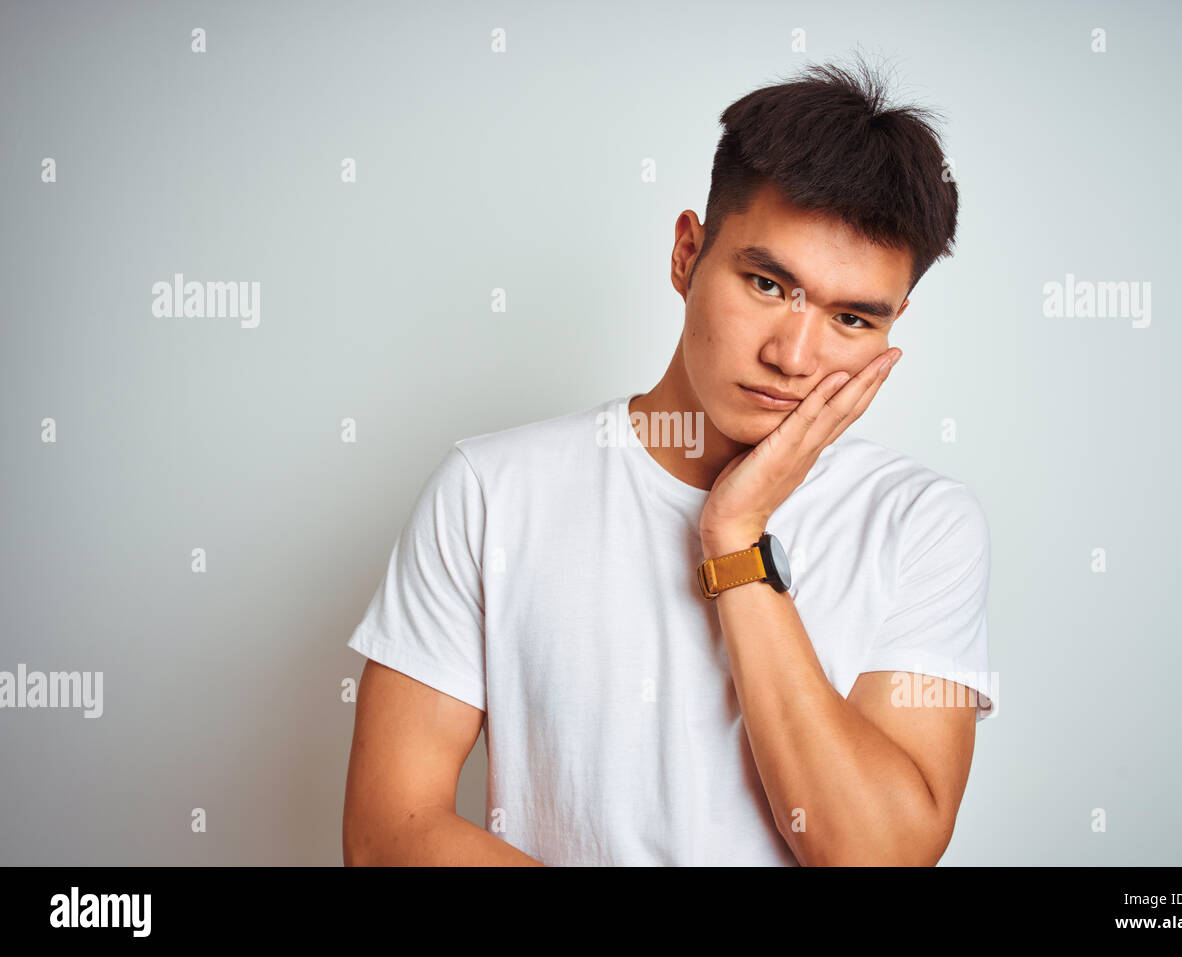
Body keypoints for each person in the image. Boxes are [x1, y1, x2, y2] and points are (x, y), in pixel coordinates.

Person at [342, 52, 995, 867]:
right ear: (688, 253)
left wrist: (736, 538)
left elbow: (875, 856)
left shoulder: (921, 523)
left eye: (853, 321)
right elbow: (386, 836)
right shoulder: (493, 491)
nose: (795, 355)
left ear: (895, 323)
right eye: (765, 282)